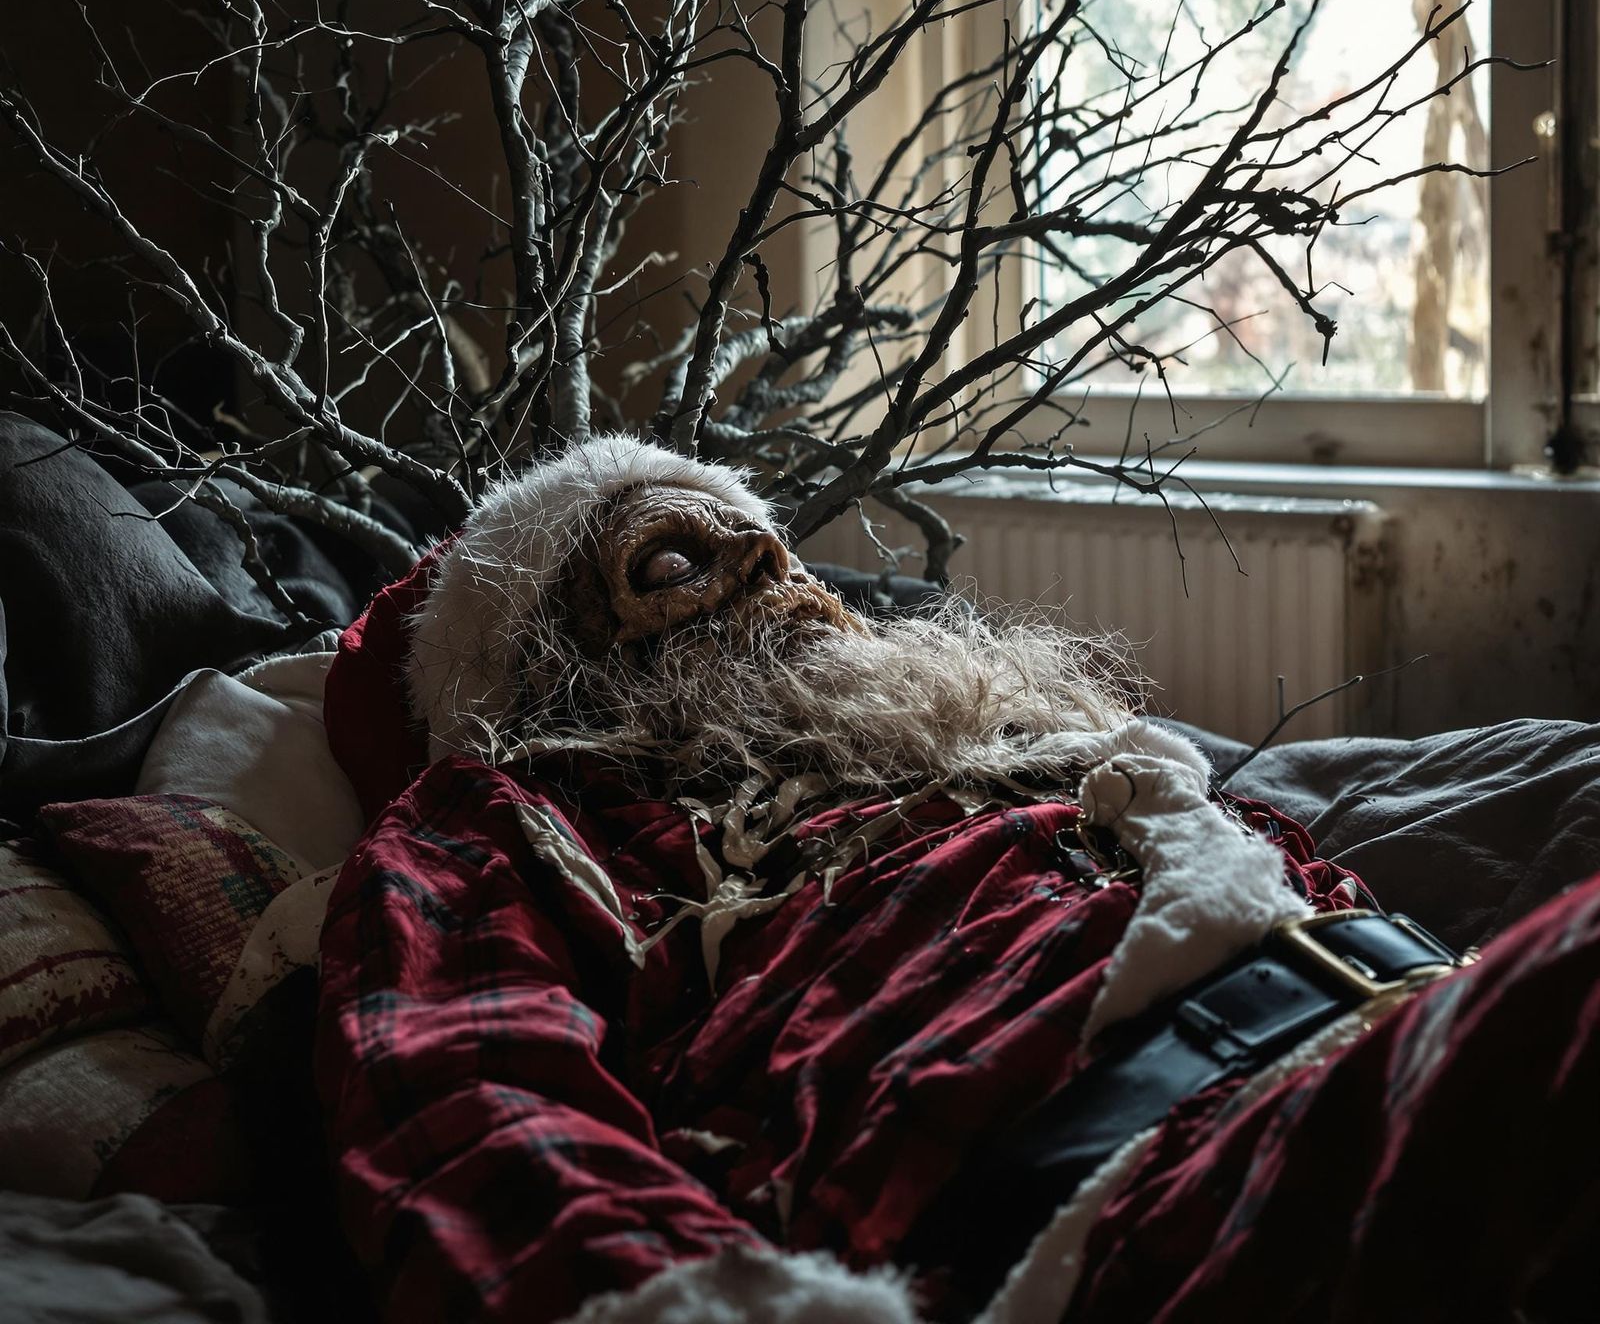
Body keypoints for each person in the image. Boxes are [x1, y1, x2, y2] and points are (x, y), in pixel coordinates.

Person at [316, 436, 1600, 1324]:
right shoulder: (519, 820)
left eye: (772, 544)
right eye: (672, 564)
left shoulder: (1019, 749)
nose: (779, 579)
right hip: (1152, 1197)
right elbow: (467, 1088)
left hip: (1398, 1040)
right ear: (556, 666)